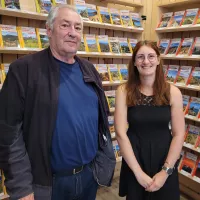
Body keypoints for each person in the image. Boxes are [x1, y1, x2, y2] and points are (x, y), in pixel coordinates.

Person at [0, 4, 116, 200]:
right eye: (65, 25)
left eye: (78, 28)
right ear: (49, 30)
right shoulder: (24, 70)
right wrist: (21, 187)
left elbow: (101, 122)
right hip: (48, 185)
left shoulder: (89, 70)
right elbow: (8, 132)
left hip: (88, 176)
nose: (73, 33)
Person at [114, 40, 185, 200]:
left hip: (165, 158)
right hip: (135, 159)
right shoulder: (124, 91)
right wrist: (137, 173)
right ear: (134, 62)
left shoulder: (173, 92)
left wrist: (165, 171)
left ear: (158, 60)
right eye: (140, 57)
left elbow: (179, 134)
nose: (146, 61)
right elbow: (120, 133)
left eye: (151, 56)